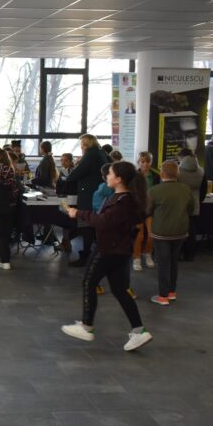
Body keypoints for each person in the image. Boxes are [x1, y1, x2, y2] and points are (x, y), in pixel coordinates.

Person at [62, 161, 153, 352]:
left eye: (110, 174)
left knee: (89, 282)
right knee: (119, 290)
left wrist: (78, 213)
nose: (107, 177)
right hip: (119, 250)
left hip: (108, 250)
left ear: (118, 179)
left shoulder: (123, 201)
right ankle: (139, 330)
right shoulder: (123, 198)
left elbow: (104, 221)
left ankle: (86, 326)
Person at [148, 161, 194, 306]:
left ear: (162, 173)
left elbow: (147, 211)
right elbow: (191, 209)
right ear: (177, 173)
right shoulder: (185, 189)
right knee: (173, 262)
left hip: (161, 232)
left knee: (163, 264)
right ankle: (171, 292)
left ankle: (163, 296)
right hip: (180, 231)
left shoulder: (154, 191)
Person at [64, 135, 109, 267]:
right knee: (91, 226)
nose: (81, 147)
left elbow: (74, 174)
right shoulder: (100, 153)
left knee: (86, 226)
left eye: (82, 144)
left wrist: (76, 166)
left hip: (89, 194)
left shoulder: (90, 155)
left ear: (87, 144)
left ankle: (86, 257)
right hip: (96, 192)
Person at [177, 148, 206, 262]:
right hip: (194, 204)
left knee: (178, 231)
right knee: (191, 231)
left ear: (182, 157)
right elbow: (203, 191)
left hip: (179, 204)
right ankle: (189, 255)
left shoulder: (177, 170)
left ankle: (178, 254)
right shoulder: (201, 171)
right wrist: (197, 200)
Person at [133, 151, 160, 271]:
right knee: (138, 235)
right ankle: (136, 258)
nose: (145, 164)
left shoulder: (157, 176)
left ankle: (148, 254)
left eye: (148, 161)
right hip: (137, 210)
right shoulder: (134, 176)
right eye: (142, 161)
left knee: (150, 234)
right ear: (138, 162)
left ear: (151, 162)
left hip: (151, 209)